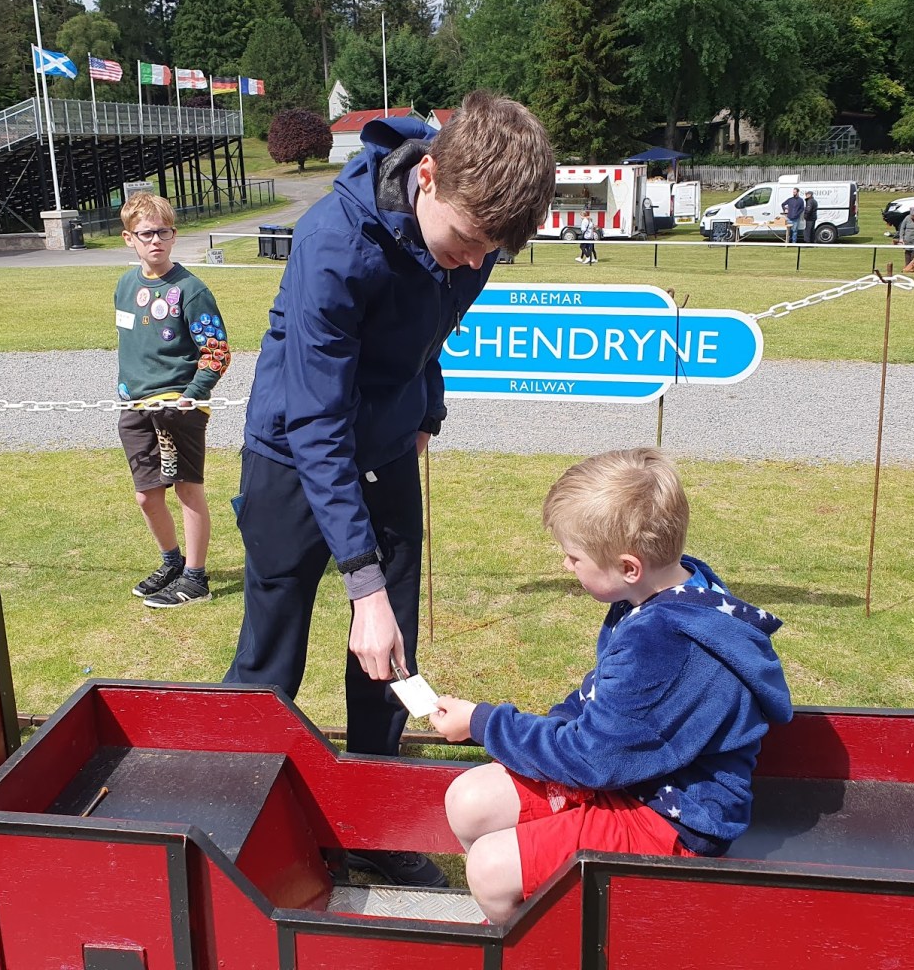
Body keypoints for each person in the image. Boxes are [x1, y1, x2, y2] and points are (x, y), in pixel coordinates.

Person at [223, 91, 555, 887]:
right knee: (276, 640)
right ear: (429, 176)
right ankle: (240, 812)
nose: (477, 264)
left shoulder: (474, 230)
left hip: (387, 444)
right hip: (294, 449)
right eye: (470, 242)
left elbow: (432, 323)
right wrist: (359, 582)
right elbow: (317, 419)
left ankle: (364, 823)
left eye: (493, 251)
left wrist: (425, 409)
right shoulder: (331, 242)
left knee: (390, 649)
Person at [430, 448, 793, 924]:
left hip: (674, 818)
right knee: (468, 800)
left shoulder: (662, 642)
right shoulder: (669, 589)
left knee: (489, 868)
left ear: (628, 566)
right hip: (632, 773)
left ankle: (543, 944)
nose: (566, 564)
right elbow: (598, 701)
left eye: (573, 556)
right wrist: (550, 724)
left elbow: (592, 758)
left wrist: (483, 723)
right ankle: (539, 914)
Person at [115, 193, 230, 608]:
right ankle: (172, 562)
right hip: (134, 406)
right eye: (146, 234)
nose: (156, 241)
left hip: (177, 406)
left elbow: (216, 351)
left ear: (174, 235)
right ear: (130, 239)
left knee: (186, 489)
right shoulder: (126, 285)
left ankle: (196, 578)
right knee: (147, 494)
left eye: (163, 232)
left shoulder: (191, 290)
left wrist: (191, 396)